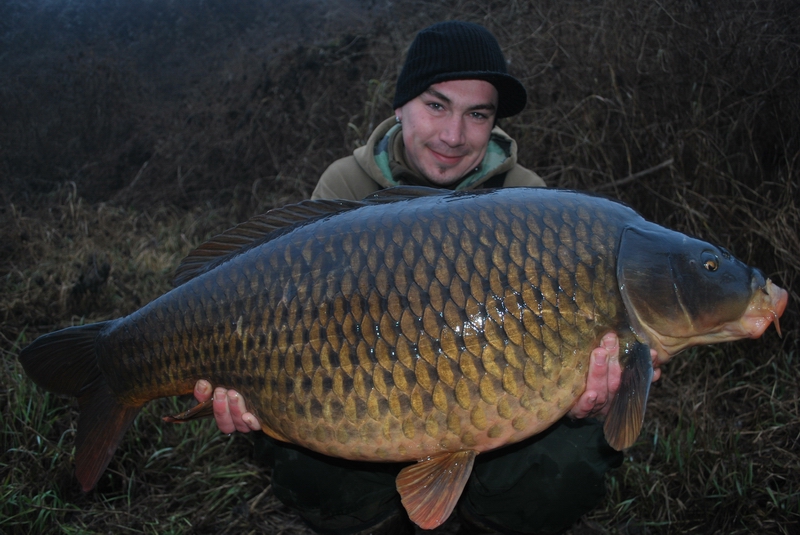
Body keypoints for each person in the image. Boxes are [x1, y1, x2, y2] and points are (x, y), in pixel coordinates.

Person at [194, 21, 661, 535]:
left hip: (487, 402)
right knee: (302, 459)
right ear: (399, 107)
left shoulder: (528, 200)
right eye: (436, 106)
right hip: (368, 394)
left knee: (572, 458)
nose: (453, 135)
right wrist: (247, 389)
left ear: (492, 123)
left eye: (477, 114)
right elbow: (294, 315)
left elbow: (556, 337)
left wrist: (586, 401)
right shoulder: (343, 187)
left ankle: (488, 520)